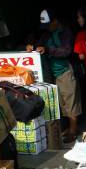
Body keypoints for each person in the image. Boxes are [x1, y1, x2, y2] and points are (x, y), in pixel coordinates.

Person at [27, 9, 81, 143]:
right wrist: (32, 46)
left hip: (66, 70)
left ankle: (73, 130)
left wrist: (48, 50)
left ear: (55, 21)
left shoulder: (65, 32)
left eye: (49, 25)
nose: (48, 28)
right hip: (53, 73)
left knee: (70, 101)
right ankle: (69, 128)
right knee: (62, 103)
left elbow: (67, 51)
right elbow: (39, 44)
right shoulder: (47, 34)